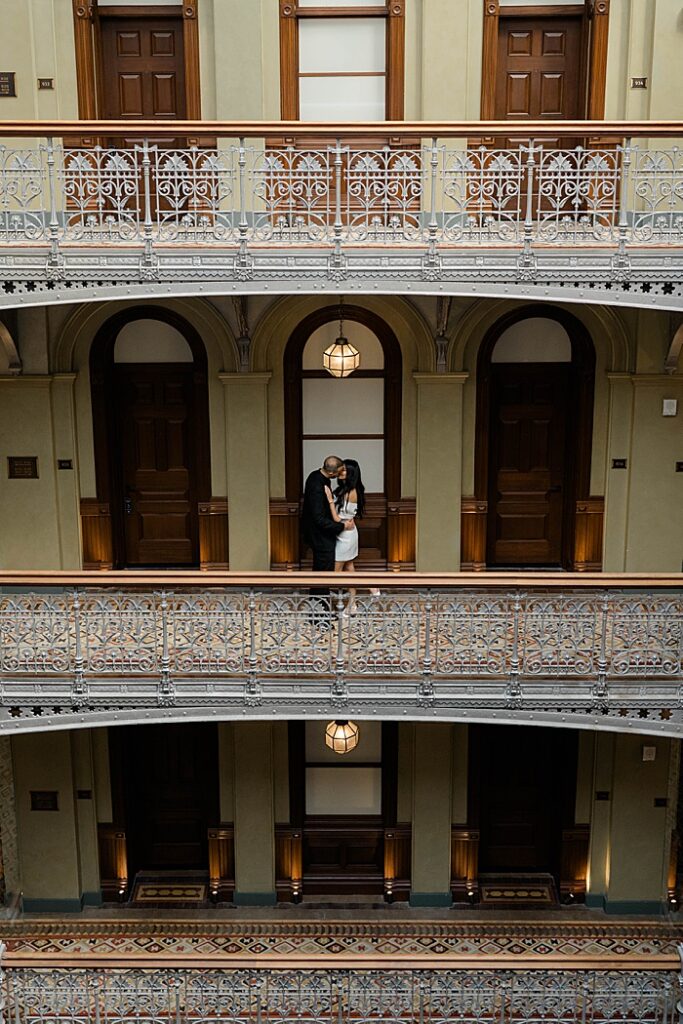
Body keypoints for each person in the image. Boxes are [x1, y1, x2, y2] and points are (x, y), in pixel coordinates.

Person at [324, 458, 379, 613]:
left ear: (351, 473)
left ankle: (370, 586)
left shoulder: (351, 492)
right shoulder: (344, 490)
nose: (340, 472)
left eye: (344, 470)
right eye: (340, 469)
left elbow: (337, 518)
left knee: (334, 575)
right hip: (344, 533)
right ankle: (352, 605)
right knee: (349, 569)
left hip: (346, 536)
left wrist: (329, 500)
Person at [301, 453, 355, 574]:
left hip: (319, 534)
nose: (340, 474)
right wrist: (342, 526)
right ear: (331, 473)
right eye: (339, 472)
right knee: (323, 573)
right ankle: (320, 593)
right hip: (320, 536)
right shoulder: (317, 485)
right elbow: (319, 519)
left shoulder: (315, 475)